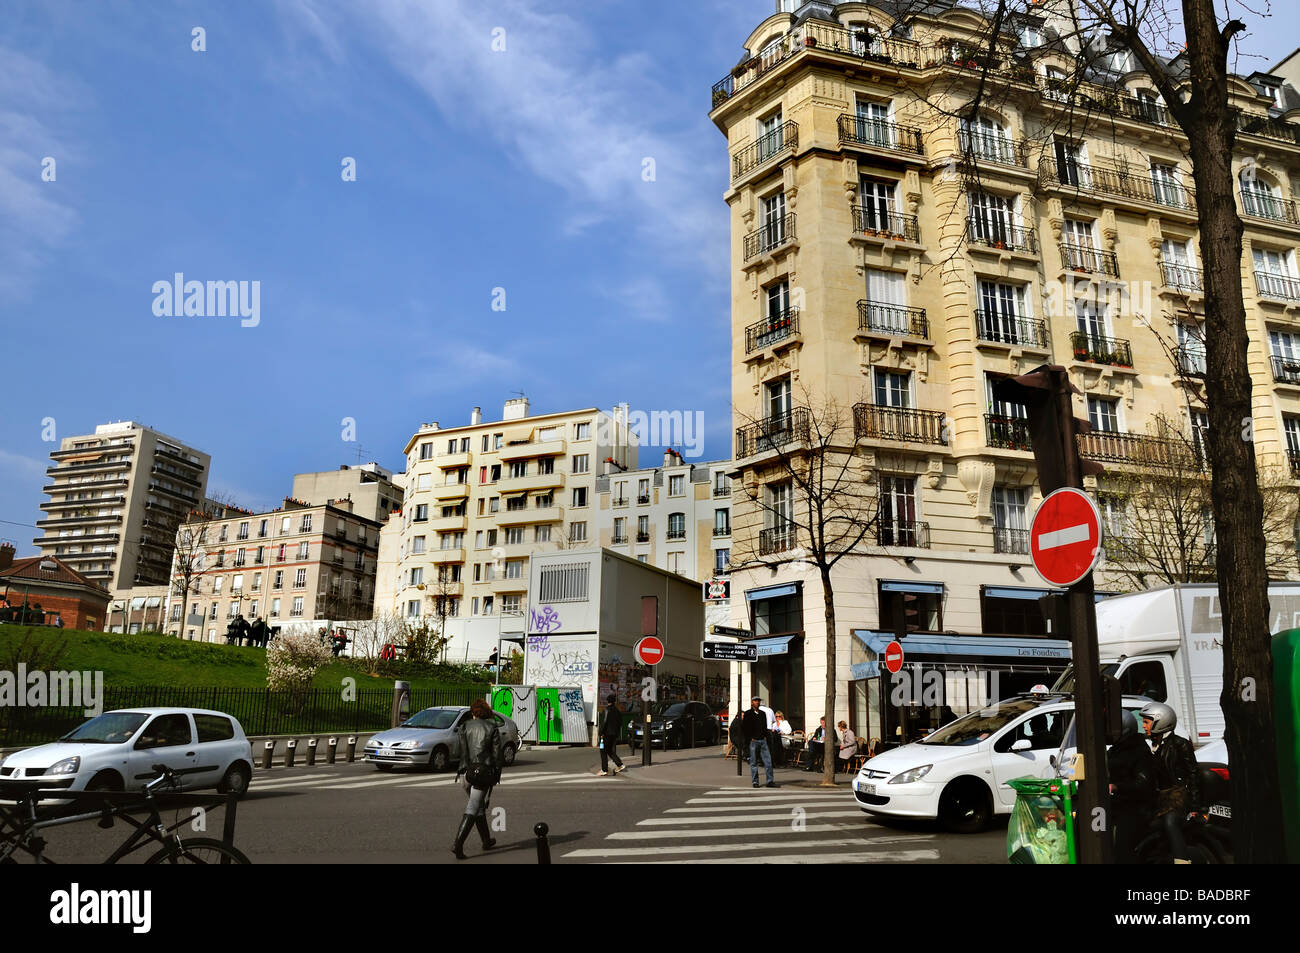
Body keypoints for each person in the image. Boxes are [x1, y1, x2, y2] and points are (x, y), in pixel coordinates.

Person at [1141, 700, 1199, 864]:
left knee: (1170, 821)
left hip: (1178, 795)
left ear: (1161, 721)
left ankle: (1182, 861)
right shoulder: (1153, 745)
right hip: (1160, 798)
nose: (1144, 726)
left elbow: (1193, 774)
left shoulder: (1179, 744)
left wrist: (1195, 807)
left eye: (1146, 722)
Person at [452, 698, 503, 859]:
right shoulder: (491, 727)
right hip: (481, 773)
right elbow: (497, 755)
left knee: (478, 807)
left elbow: (459, 751)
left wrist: (462, 768)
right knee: (473, 808)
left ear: (473, 712)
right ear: (486, 712)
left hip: (465, 773)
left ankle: (486, 840)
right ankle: (458, 844)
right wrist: (497, 775)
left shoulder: (464, 726)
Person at [1107, 709, 1156, 864]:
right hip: (1115, 803)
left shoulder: (1139, 751)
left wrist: (1116, 787)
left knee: (1123, 844)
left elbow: (1142, 784)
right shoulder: (1115, 749)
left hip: (1134, 807)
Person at [741, 696, 776, 788]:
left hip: (762, 740)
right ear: (752, 702)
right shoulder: (748, 713)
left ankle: (770, 781)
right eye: (755, 701)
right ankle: (755, 781)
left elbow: (764, 726)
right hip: (754, 740)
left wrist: (765, 737)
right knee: (754, 762)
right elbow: (744, 728)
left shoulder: (762, 714)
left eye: (758, 701)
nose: (757, 702)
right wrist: (750, 738)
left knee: (768, 761)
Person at [598, 694, 627, 776]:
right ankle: (620, 765)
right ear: (614, 701)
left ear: (607, 701)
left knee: (603, 751)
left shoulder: (606, 710)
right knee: (610, 750)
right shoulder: (617, 711)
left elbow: (604, 723)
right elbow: (620, 723)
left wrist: (601, 733)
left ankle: (604, 770)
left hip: (606, 734)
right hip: (614, 734)